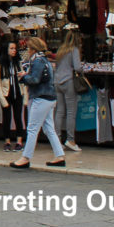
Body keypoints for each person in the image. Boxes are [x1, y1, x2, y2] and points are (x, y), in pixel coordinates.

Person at [10, 37, 66, 169]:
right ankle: (59, 155)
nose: (27, 51)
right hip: (50, 97)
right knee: (48, 128)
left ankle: (26, 157)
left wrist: (23, 77)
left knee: (32, 128)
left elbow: (35, 79)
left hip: (40, 97)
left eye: (28, 48)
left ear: (33, 49)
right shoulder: (45, 60)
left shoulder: (37, 61)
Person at [53, 30, 83, 152]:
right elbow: (77, 67)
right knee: (71, 112)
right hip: (68, 81)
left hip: (57, 81)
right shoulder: (74, 50)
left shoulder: (61, 50)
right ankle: (70, 140)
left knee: (59, 111)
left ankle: (57, 140)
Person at [0, 40, 25, 152]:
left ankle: (19, 141)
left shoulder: (18, 63)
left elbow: (23, 80)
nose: (14, 51)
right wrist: (2, 97)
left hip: (18, 92)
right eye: (11, 48)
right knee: (6, 118)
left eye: (15, 48)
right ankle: (7, 141)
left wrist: (24, 95)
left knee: (18, 117)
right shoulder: (0, 64)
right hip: (6, 92)